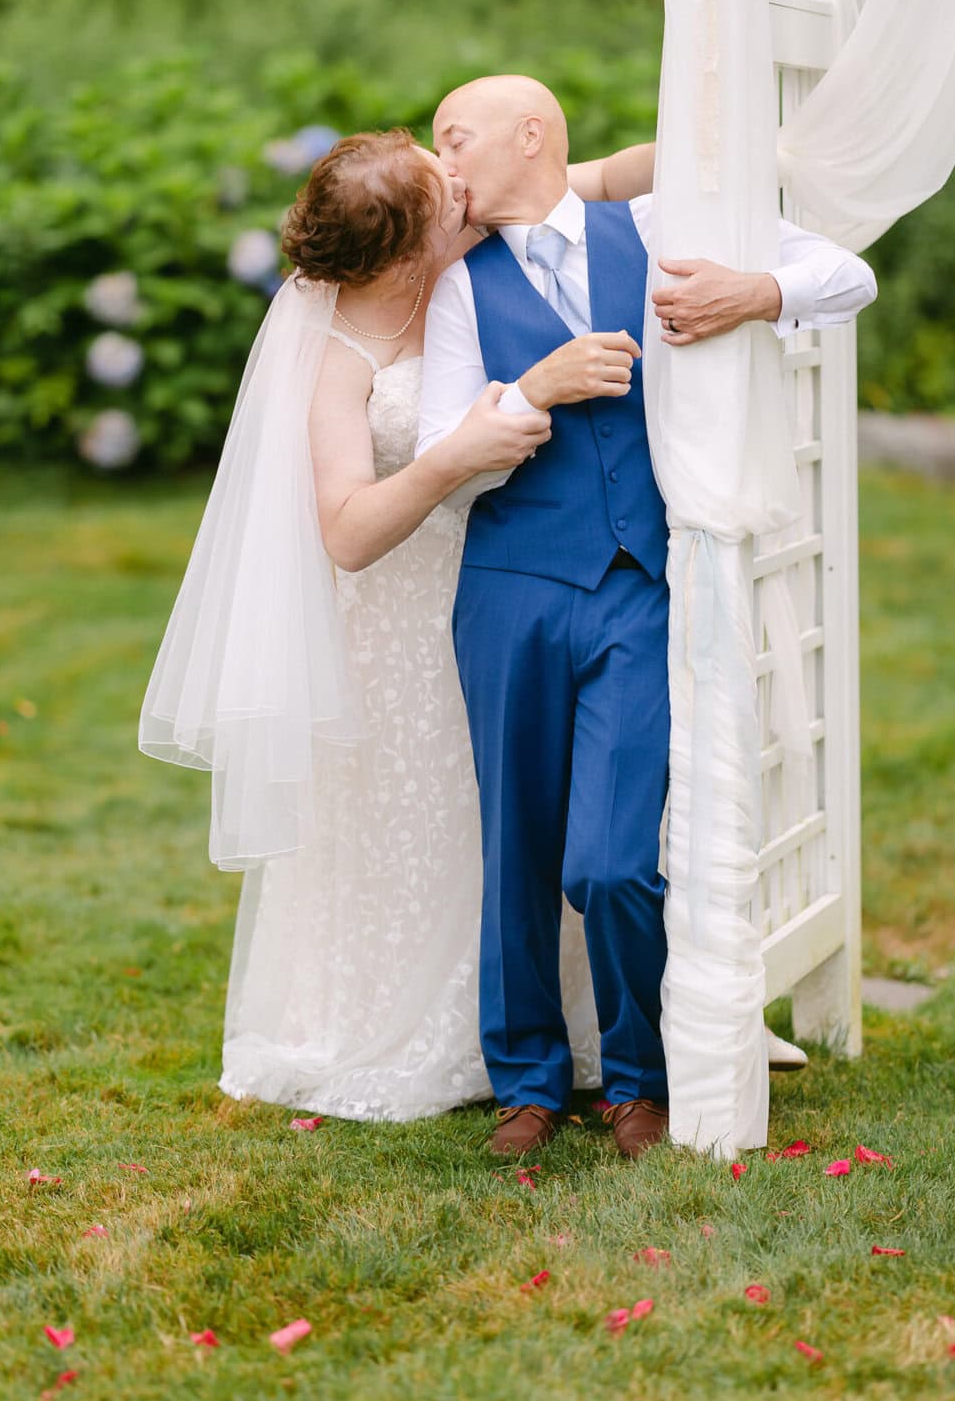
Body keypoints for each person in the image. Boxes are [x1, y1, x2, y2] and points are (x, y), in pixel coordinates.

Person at [141, 128, 652, 1119]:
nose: (464, 186)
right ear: (406, 251)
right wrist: (457, 455)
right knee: (436, 817)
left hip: (522, 581)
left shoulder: (473, 224)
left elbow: (605, 175)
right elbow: (345, 531)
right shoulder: (334, 346)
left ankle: (583, 1028)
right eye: (443, 194)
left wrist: (712, 133)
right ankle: (451, 1034)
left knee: (542, 801)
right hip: (400, 624)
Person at [417, 75, 876, 1157]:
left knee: (612, 862)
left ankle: (638, 1076)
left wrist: (755, 294)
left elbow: (843, 274)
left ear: (531, 135)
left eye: (455, 136)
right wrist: (535, 389)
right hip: (511, 591)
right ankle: (527, 1081)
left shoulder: (662, 224)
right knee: (515, 845)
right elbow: (443, 454)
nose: (444, 162)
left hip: (639, 585)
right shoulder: (454, 285)